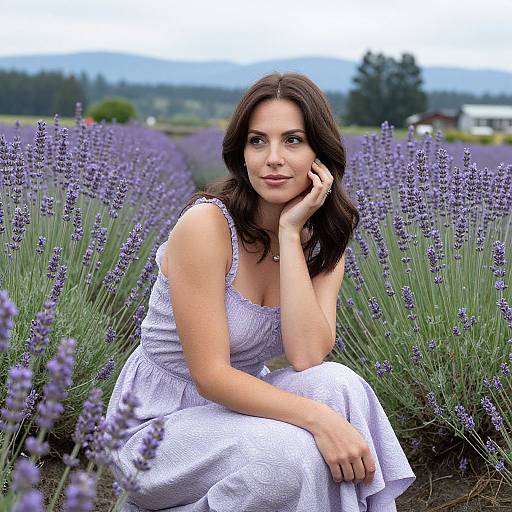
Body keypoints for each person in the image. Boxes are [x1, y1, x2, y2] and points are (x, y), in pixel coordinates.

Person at [106, 71, 416, 511]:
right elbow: (210, 376)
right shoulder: (206, 226)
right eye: (258, 141)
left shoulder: (326, 235)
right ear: (241, 151)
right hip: (157, 429)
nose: (272, 158)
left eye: (292, 140)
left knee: (341, 386)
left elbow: (306, 356)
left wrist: (290, 235)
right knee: (292, 454)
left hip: (238, 410)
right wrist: (318, 421)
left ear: (319, 153)